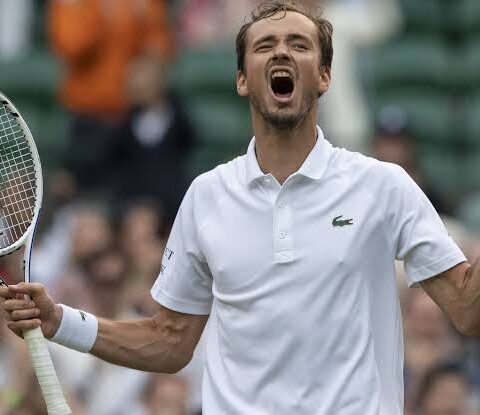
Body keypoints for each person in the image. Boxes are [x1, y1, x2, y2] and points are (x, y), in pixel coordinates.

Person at [1, 2, 480, 414]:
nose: (282, 52)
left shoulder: (384, 187)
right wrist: (60, 321)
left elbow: (467, 312)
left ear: (325, 75)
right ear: (240, 79)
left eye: (300, 43)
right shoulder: (207, 196)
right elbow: (170, 340)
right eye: (264, 44)